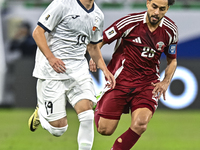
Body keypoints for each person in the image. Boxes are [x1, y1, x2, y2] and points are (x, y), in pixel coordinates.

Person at [90, 0, 178, 149]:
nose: (156, 12)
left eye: (162, 9)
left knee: (140, 124)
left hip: (147, 84)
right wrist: (95, 57)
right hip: (120, 81)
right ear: (147, 3)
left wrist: (165, 81)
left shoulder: (170, 30)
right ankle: (98, 101)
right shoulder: (129, 22)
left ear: (167, 8)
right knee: (104, 130)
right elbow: (100, 41)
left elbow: (172, 61)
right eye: (154, 7)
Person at [28, 0, 115, 150]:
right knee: (58, 129)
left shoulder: (98, 15)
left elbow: (93, 47)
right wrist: (51, 58)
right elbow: (37, 32)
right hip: (53, 71)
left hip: (78, 70)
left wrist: (105, 70)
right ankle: (41, 113)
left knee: (87, 115)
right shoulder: (62, 4)